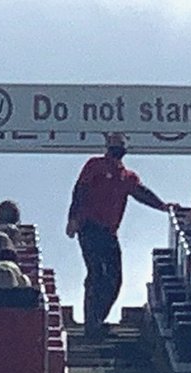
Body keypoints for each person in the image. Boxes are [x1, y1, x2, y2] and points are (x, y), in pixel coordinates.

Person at [66, 132, 175, 337]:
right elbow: (80, 190)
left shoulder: (128, 176)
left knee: (115, 278)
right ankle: (92, 323)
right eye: (115, 141)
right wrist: (72, 218)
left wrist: (163, 206)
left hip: (109, 232)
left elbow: (142, 193)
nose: (119, 145)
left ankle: (98, 317)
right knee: (96, 272)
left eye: (122, 141)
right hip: (89, 227)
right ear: (107, 145)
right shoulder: (95, 165)